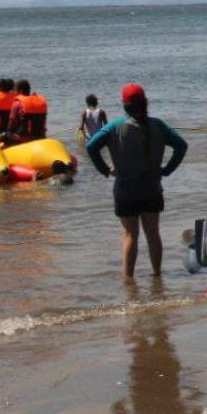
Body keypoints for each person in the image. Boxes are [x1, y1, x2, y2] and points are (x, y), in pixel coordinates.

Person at [85, 83, 188, 279]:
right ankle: (157, 275)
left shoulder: (115, 127)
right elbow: (181, 146)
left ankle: (129, 281)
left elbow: (91, 147)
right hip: (152, 190)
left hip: (125, 192)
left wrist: (105, 170)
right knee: (153, 234)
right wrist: (166, 170)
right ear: (146, 103)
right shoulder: (158, 125)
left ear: (125, 106)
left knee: (130, 235)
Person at [0, 79, 48, 145]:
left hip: (22, 137)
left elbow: (11, 123)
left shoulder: (17, 103)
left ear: (20, 90)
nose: (14, 92)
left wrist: (7, 133)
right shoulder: (41, 102)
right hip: (40, 136)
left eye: (15, 89)